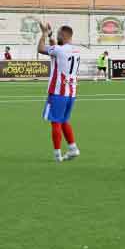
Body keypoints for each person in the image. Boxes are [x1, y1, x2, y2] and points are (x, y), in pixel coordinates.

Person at [37, 20, 80, 162]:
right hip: (71, 93)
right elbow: (56, 47)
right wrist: (50, 35)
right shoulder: (75, 50)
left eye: (57, 34)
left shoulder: (59, 50)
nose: (56, 36)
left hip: (57, 92)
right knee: (64, 120)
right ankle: (73, 148)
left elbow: (41, 48)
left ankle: (57, 155)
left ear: (62, 35)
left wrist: (43, 34)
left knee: (55, 122)